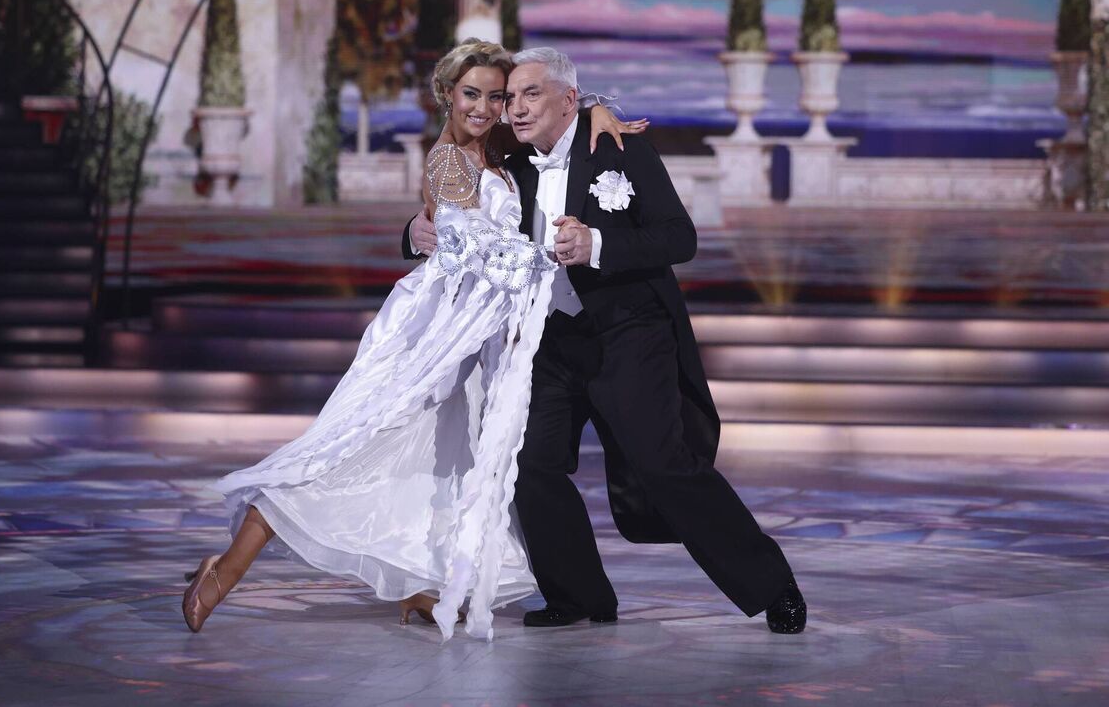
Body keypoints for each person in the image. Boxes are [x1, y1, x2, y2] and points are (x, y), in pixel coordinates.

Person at [181, 39, 646, 642]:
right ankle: (223, 572)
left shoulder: (497, 149)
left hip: (478, 335)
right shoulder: (448, 161)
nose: (484, 108)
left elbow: (559, 120)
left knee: (441, 457)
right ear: (447, 95)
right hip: (434, 329)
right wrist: (548, 258)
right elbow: (475, 248)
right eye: (472, 94)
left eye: (496, 97)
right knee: (349, 445)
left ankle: (422, 587)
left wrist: (595, 110)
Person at [405, 47, 807, 634]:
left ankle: (772, 587)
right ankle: (578, 595)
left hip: (628, 335)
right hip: (547, 341)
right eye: (511, 98)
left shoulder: (619, 150)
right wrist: (414, 233)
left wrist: (598, 244)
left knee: (664, 466)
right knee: (529, 463)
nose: (516, 109)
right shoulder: (510, 161)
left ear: (569, 100)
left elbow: (680, 238)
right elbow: (462, 210)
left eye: (530, 95)